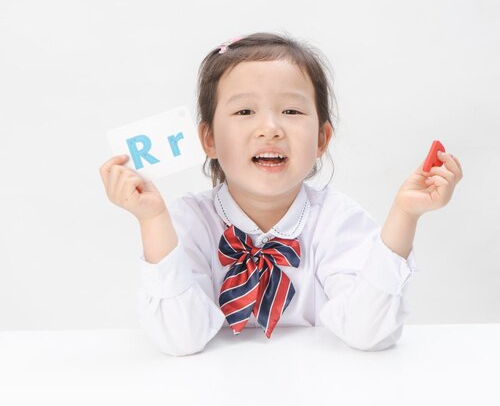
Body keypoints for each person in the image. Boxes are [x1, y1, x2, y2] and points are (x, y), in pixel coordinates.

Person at [98, 32, 463, 356]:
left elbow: (368, 332)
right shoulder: (187, 222)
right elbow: (181, 339)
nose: (269, 128)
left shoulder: (337, 221)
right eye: (244, 110)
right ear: (208, 139)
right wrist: (152, 219)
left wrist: (405, 214)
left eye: (291, 110)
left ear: (322, 139)